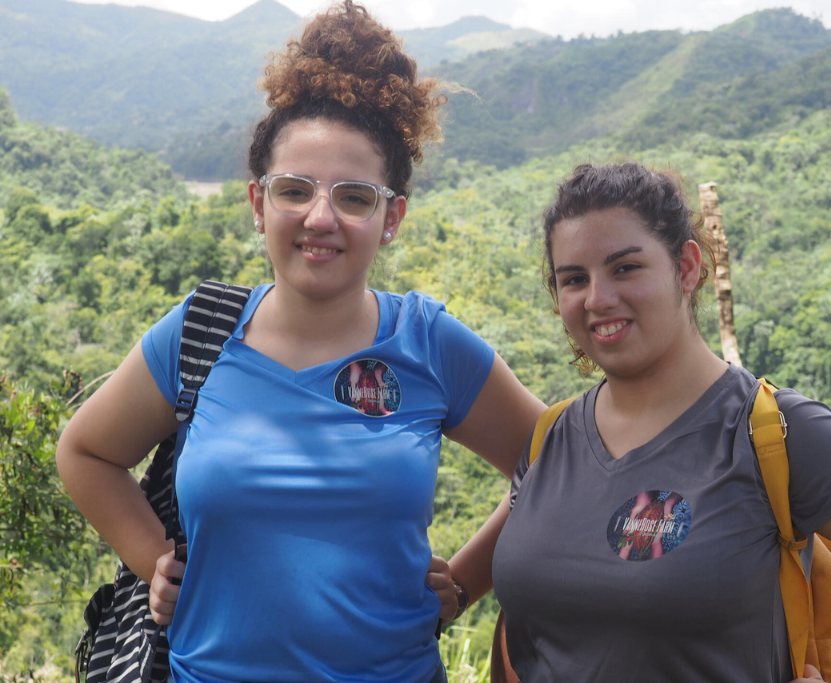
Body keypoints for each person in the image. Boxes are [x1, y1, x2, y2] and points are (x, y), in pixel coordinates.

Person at [55, 3, 544, 682]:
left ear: (392, 216)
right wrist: (152, 560)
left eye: (354, 197)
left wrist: (463, 582)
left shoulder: (428, 344)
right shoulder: (200, 333)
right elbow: (84, 452)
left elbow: (554, 464)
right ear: (259, 204)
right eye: (294, 190)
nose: (320, 217)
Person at [448, 162, 831, 682]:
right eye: (574, 279)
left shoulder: (770, 433)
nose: (598, 298)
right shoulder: (550, 439)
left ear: (686, 267)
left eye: (625, 268)